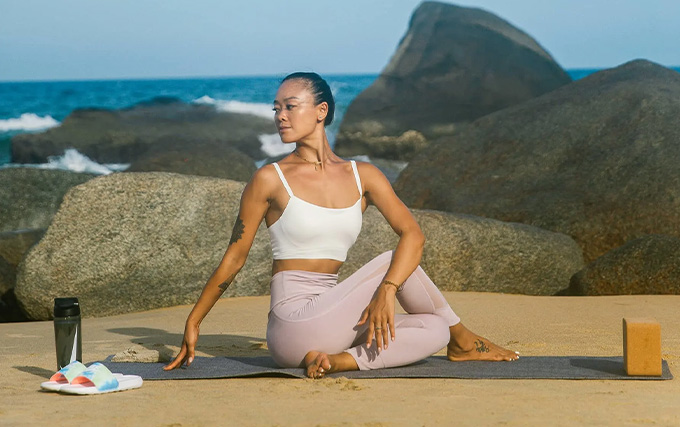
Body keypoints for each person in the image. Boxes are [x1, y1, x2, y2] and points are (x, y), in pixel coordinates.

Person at [164, 72, 518, 378]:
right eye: (276, 108)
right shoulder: (270, 179)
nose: (280, 116)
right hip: (294, 325)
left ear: (322, 111)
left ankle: (340, 361)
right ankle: (465, 339)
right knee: (389, 263)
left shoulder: (362, 175)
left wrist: (387, 291)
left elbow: (414, 234)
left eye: (290, 106)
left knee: (434, 328)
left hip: (337, 320)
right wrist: (195, 320)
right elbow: (234, 257)